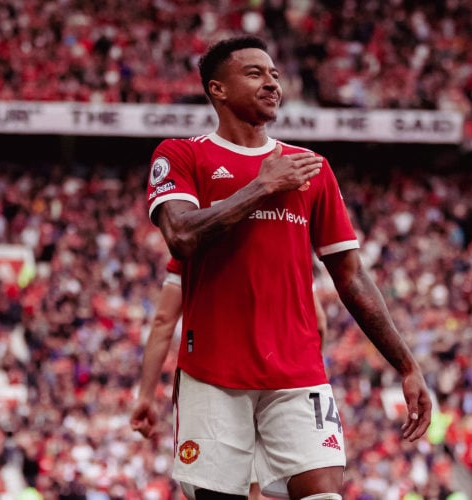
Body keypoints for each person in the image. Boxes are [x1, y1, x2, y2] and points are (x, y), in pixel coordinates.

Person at [144, 35, 431, 500]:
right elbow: (181, 235)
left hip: (299, 371)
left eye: (275, 74)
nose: (272, 83)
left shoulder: (310, 168)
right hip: (213, 371)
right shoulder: (181, 155)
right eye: (255, 73)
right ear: (217, 89)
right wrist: (261, 187)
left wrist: (406, 365)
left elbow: (351, 275)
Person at [130, 258, 328, 500]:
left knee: (220, 487)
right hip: (280, 383)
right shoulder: (285, 243)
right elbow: (318, 323)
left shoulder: (195, 242)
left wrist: (146, 396)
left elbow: (164, 321)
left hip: (219, 384)